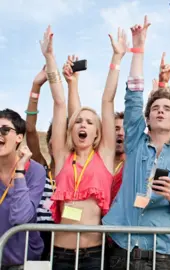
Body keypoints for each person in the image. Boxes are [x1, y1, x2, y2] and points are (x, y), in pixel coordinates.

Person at [103, 17, 170, 270]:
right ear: (147, 118)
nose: (160, 111)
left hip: (160, 255)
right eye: (155, 108)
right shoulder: (135, 142)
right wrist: (138, 49)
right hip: (120, 250)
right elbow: (134, 96)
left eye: (167, 109)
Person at [40, 24, 123, 269]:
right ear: (71, 129)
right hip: (60, 254)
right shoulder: (63, 155)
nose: (82, 124)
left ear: (98, 132)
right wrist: (50, 57)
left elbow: (107, 100)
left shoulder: (105, 156)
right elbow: (58, 102)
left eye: (89, 121)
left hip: (94, 254)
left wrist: (116, 58)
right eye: (78, 121)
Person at [0, 109, 45, 268]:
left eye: (5, 130)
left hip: (25, 263)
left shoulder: (35, 170)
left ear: (19, 137)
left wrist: (19, 170)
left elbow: (20, 217)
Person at [25, 66, 56, 260]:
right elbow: (29, 129)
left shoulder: (76, 171)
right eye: (55, 138)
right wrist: (36, 86)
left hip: (64, 237)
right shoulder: (40, 166)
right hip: (38, 235)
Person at [111, 111, 125, 200]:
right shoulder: (95, 161)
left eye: (125, 129)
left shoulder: (134, 166)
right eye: (116, 129)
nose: (120, 133)